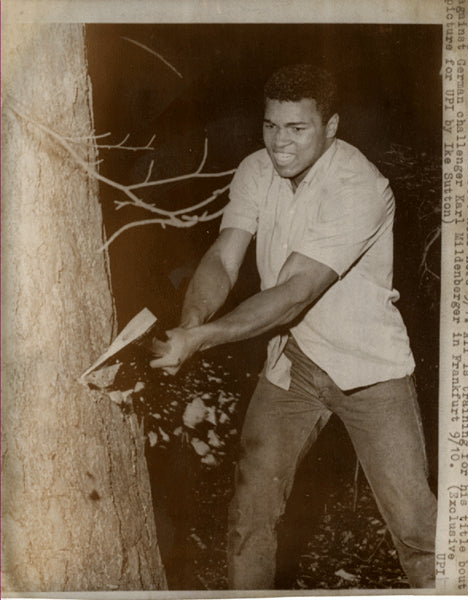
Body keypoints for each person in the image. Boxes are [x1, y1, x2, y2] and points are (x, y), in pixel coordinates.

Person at [151, 64, 437, 589]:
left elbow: (293, 293)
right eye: (271, 125)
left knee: (418, 530)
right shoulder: (256, 170)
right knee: (249, 516)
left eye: (297, 128)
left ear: (331, 127)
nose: (279, 143)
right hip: (292, 364)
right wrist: (189, 323)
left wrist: (202, 340)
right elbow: (224, 257)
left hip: (368, 368)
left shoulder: (361, 186)